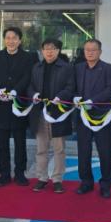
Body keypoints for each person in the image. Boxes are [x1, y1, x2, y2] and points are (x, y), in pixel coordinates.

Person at [27, 38, 75, 194]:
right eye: (46, 48)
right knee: (41, 148)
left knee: (58, 148)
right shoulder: (36, 67)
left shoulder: (66, 68)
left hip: (58, 113)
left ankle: (57, 179)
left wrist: (60, 96)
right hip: (40, 112)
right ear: (42, 51)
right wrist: (33, 95)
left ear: (58, 51)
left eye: (52, 48)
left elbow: (71, 87)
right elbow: (30, 86)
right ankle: (42, 177)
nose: (49, 51)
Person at [0, 26, 34, 187]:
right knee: (2, 143)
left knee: (20, 142)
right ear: (4, 40)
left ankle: (20, 173)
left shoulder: (27, 57)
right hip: (1, 105)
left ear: (20, 40)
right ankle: (4, 174)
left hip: (18, 104)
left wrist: (15, 91)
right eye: (8, 38)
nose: (11, 41)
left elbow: (27, 77)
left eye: (14, 38)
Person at [74, 39, 111, 198]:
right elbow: (72, 87)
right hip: (83, 116)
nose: (90, 52)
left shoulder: (108, 68)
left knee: (105, 152)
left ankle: (106, 185)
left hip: (102, 116)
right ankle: (86, 182)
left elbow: (110, 90)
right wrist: (75, 97)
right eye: (87, 50)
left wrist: (93, 101)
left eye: (93, 50)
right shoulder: (78, 68)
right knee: (83, 151)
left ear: (100, 52)